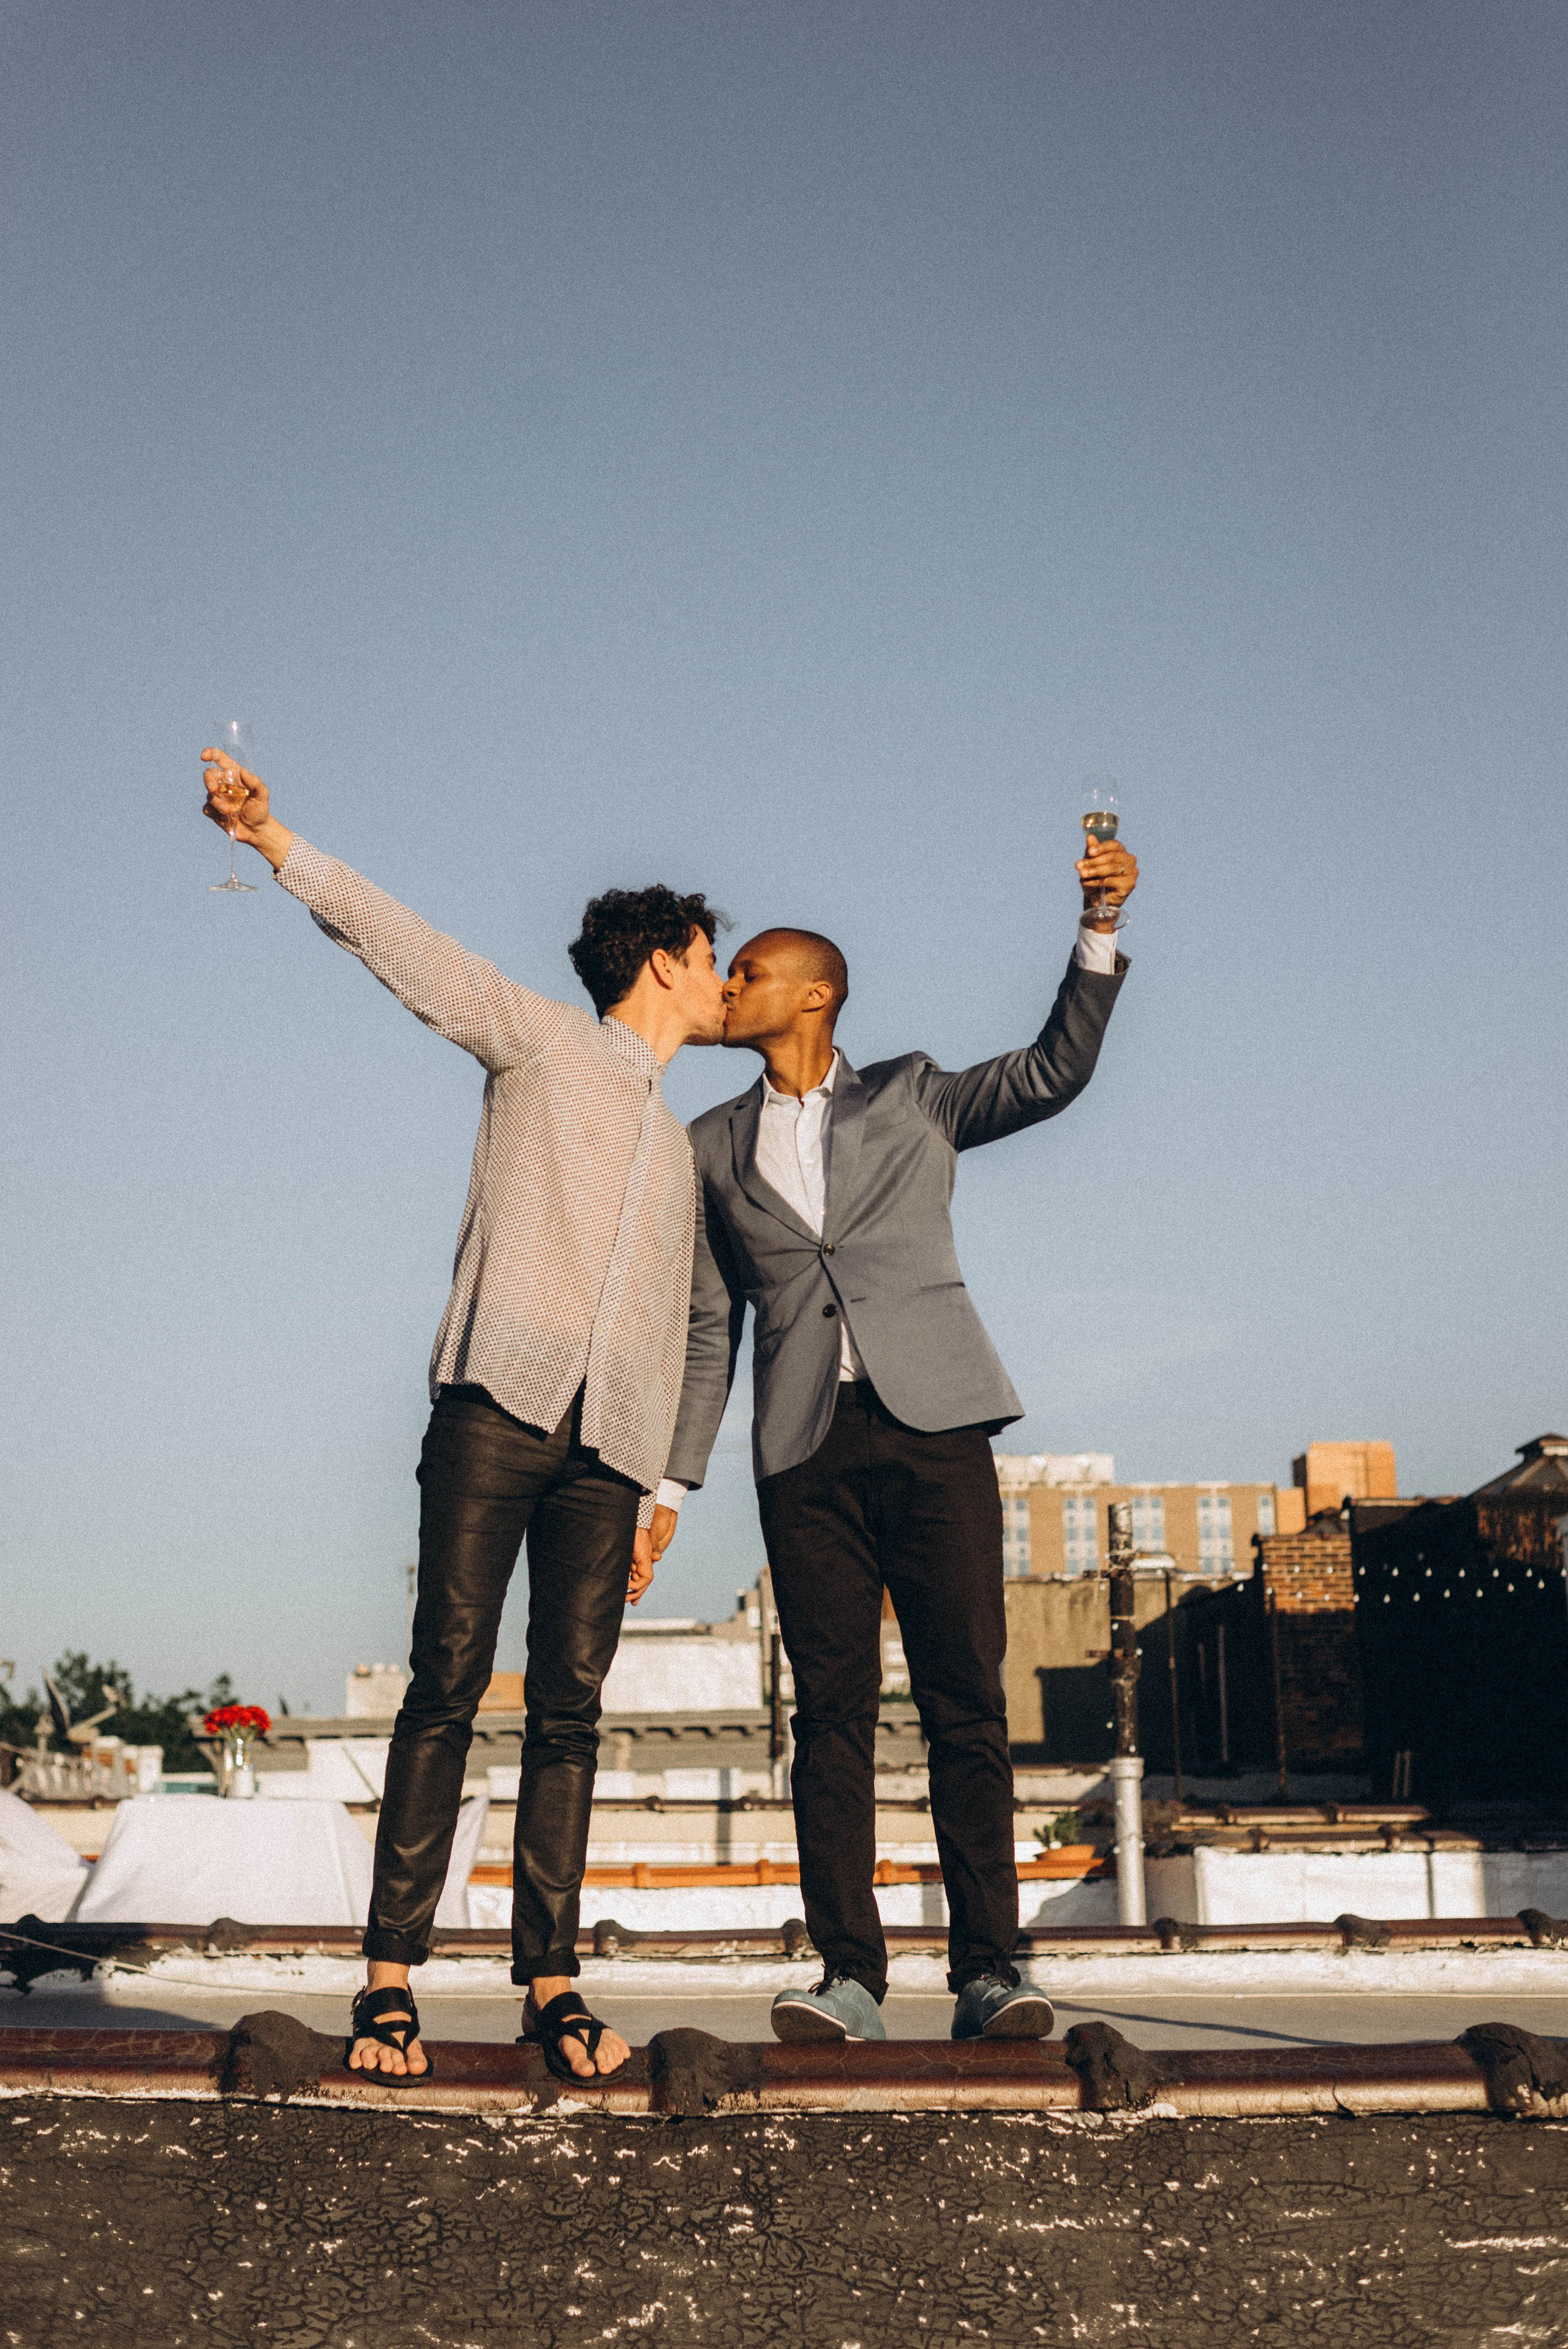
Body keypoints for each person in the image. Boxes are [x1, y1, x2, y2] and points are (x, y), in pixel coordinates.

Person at [202, 751, 725, 2084]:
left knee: (570, 1713)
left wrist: (662, 1488)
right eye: (711, 957)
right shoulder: (541, 1038)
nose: (724, 980)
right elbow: (403, 945)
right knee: (443, 1684)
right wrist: (275, 841)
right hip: (497, 1410)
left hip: (611, 1454)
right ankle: (389, 1982)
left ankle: (551, 1983)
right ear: (663, 961)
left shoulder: (681, 1147)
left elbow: (690, 1324)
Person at [650, 829, 1137, 2043]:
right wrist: (669, 1485)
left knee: (966, 1702)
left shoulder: (914, 1094)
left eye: (747, 973)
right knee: (830, 1714)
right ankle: (849, 1979)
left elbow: (1052, 1071)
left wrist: (1097, 932)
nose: (726, 989)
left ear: (814, 994)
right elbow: (709, 1326)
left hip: (935, 1431)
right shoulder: (706, 1146)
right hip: (803, 1452)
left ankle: (991, 1972)